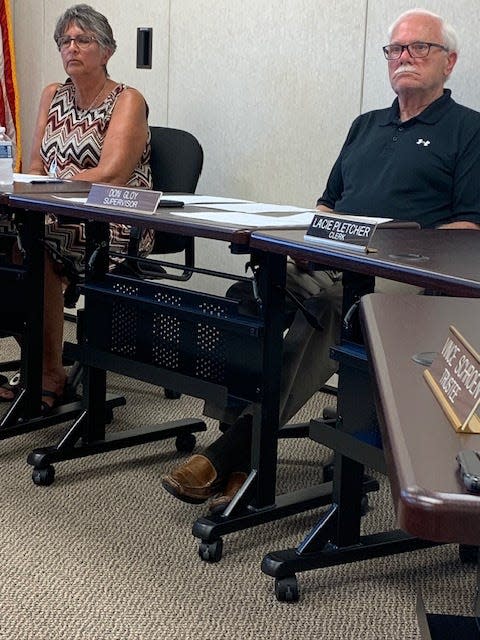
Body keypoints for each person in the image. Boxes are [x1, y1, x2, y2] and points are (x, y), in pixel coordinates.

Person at [161, 7, 480, 513]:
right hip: (336, 253)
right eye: (395, 49)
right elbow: (327, 204)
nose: (404, 57)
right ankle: (242, 437)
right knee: (250, 295)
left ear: (450, 61)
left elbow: (469, 228)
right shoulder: (366, 125)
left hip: (406, 276)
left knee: (335, 307)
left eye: (419, 47)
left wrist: (389, 250)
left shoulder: (468, 130)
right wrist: (310, 242)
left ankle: (233, 450)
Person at [0, 4, 153, 410]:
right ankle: (38, 355)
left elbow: (111, 175)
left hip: (116, 218)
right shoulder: (53, 94)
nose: (72, 48)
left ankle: (50, 370)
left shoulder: (127, 100)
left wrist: (51, 188)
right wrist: (38, 190)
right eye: (65, 41)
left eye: (83, 40)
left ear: (106, 51)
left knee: (39, 240)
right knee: (9, 234)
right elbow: (33, 167)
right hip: (53, 209)